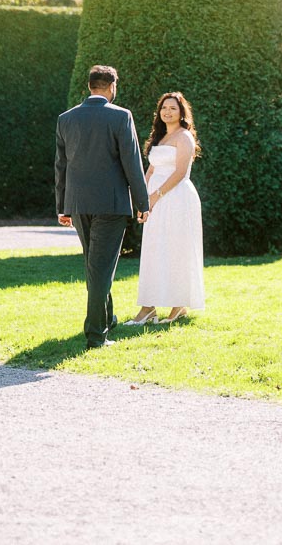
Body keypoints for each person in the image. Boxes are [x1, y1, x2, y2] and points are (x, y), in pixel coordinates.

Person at [55, 64, 150, 349]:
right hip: (111, 204)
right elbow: (132, 161)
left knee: (94, 265)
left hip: (77, 202)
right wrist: (142, 202)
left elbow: (61, 166)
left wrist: (62, 206)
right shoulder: (121, 116)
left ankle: (107, 318)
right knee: (101, 267)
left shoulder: (66, 118)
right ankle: (96, 335)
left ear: (89, 87)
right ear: (112, 87)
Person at [124, 92, 204, 325]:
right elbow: (150, 170)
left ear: (181, 113)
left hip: (177, 200)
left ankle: (178, 306)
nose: (167, 112)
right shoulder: (159, 138)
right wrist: (143, 200)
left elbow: (180, 173)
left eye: (173, 108)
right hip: (155, 200)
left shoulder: (184, 138)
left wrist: (157, 195)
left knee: (176, 249)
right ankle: (148, 308)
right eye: (164, 108)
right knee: (153, 250)